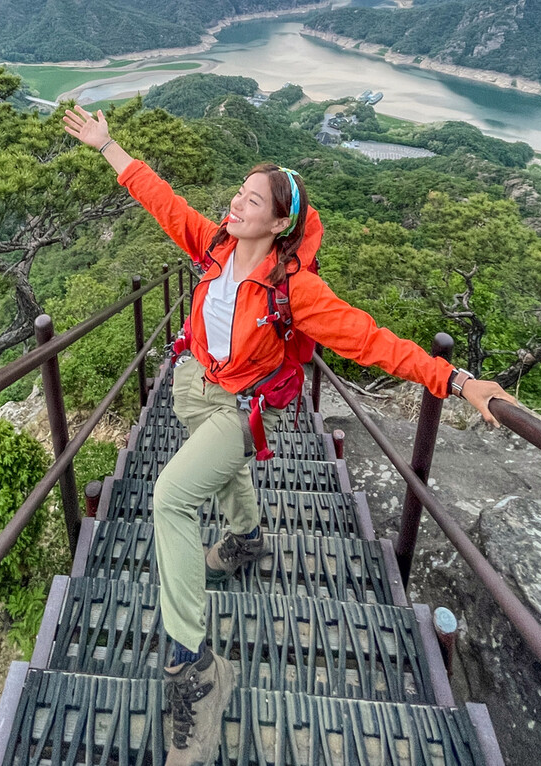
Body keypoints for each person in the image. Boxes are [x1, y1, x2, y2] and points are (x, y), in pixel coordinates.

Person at [62, 103, 518, 766]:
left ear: (280, 223)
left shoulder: (294, 289)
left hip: (247, 409)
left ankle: (195, 668)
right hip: (199, 384)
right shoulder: (213, 246)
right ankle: (245, 538)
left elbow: (370, 341)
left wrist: (455, 380)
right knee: (213, 469)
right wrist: (108, 145)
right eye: (237, 193)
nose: (235, 203)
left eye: (251, 199)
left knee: (171, 497)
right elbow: (156, 195)